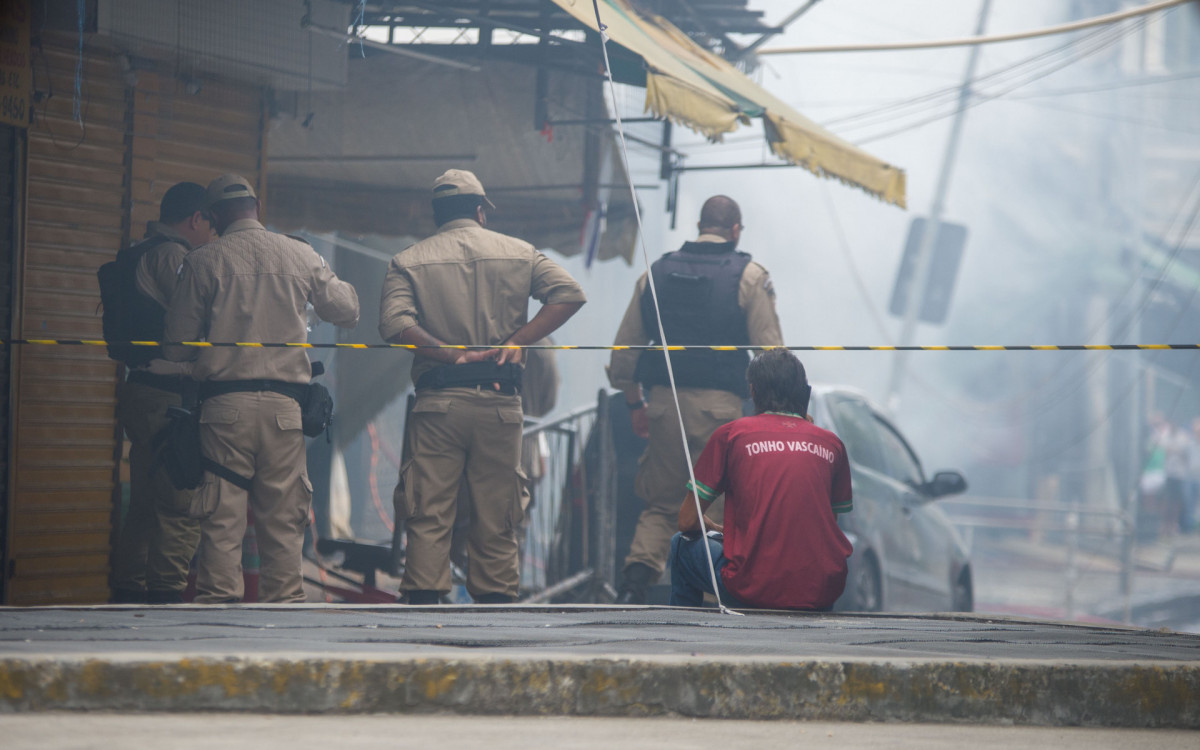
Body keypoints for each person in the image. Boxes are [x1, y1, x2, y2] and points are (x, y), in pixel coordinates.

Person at [379, 169, 585, 605]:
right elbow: (568, 293)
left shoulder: (408, 260)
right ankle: (494, 607)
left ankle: (423, 603)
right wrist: (518, 341)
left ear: (437, 214)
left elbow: (393, 324)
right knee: (498, 512)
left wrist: (451, 353)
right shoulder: (519, 253)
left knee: (428, 508)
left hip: (437, 405)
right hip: (499, 405)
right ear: (480, 211)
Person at [164, 173, 360, 603]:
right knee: (283, 522)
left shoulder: (203, 260)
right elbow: (347, 310)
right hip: (285, 412)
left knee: (221, 519)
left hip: (223, 411)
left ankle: (219, 615)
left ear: (213, 216)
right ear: (256, 207)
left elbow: (175, 346)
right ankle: (284, 612)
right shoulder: (299, 254)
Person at [607, 195, 783, 604]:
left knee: (663, 501)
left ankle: (635, 583)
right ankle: (709, 598)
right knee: (714, 504)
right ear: (735, 230)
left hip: (664, 405)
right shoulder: (750, 276)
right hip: (721, 412)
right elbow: (771, 353)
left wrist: (635, 403)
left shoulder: (657, 271)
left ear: (699, 225)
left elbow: (624, 354)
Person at [669, 349, 853, 610]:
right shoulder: (831, 443)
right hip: (820, 591)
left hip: (750, 587)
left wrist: (720, 530)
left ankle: (685, 642)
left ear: (753, 392)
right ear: (803, 392)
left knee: (680, 545)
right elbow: (823, 524)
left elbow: (686, 520)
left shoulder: (732, 435)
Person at [109, 182, 214, 604]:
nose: (212, 235)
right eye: (211, 224)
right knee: (180, 501)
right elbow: (196, 318)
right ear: (196, 219)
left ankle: (129, 589)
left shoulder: (142, 248)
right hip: (165, 395)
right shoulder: (173, 257)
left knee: (148, 501)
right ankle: (165, 598)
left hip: (143, 390)